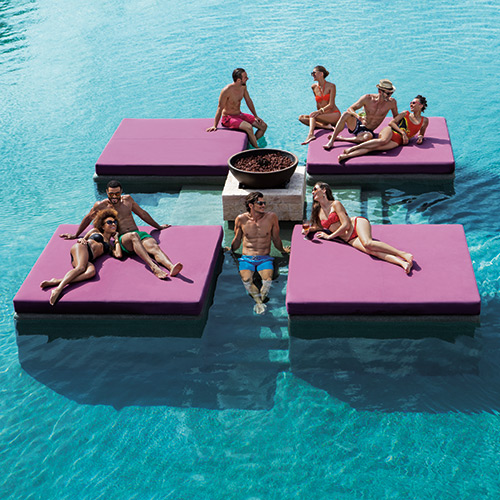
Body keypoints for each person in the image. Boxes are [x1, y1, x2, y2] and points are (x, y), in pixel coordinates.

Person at [60, 180, 183, 280]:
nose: (114, 197)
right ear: (107, 192)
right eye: (111, 194)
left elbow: (143, 214)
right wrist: (76, 234)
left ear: (121, 192)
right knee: (133, 236)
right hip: (123, 238)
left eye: (117, 194)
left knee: (154, 247)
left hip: (138, 234)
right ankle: (154, 268)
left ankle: (171, 267)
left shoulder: (128, 200)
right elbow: (88, 218)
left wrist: (159, 227)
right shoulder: (101, 205)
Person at [304, 182, 413, 274]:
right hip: (349, 239)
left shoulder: (336, 204)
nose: (312, 192)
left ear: (323, 190)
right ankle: (402, 263)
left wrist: (329, 237)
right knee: (371, 252)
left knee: (368, 243)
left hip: (356, 224)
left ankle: (403, 254)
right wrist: (310, 229)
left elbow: (346, 225)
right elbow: (319, 226)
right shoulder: (318, 211)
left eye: (315, 189)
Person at [41, 209, 122, 305]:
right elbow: (83, 239)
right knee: (81, 268)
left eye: (115, 222)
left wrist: (116, 239)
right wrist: (81, 240)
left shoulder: (110, 245)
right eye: (109, 222)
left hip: (88, 258)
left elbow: (118, 254)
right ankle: (58, 289)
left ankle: (56, 281)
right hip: (82, 248)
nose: (113, 224)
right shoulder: (95, 231)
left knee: (91, 272)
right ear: (103, 226)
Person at [229, 192, 290, 314]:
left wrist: (283, 250)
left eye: (264, 203)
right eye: (260, 203)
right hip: (246, 258)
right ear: (251, 205)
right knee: (246, 280)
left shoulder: (271, 217)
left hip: (265, 258)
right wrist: (231, 250)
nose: (263, 205)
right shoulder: (241, 219)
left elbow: (276, 239)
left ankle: (260, 301)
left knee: (267, 280)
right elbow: (237, 239)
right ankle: (259, 302)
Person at [338, 95, 429, 162]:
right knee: (383, 140)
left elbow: (421, 133)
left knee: (373, 148)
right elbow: (391, 123)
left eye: (414, 103)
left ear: (421, 106)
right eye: (411, 103)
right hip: (391, 131)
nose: (411, 105)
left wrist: (420, 137)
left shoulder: (424, 121)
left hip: (397, 142)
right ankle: (352, 149)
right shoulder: (405, 113)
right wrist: (403, 133)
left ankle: (346, 156)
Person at [323, 79, 398, 150]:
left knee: (366, 138)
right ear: (380, 91)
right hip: (357, 124)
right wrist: (357, 116)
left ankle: (342, 138)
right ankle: (331, 141)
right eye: (388, 93)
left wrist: (401, 131)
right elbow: (350, 108)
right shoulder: (367, 98)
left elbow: (396, 117)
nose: (390, 95)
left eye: (391, 93)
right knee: (345, 114)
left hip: (368, 131)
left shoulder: (391, 103)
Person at [206, 68, 267, 148]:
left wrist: (256, 116)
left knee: (263, 126)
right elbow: (220, 108)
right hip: (228, 118)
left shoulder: (243, 87)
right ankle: (257, 149)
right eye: (245, 77)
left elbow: (248, 101)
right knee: (248, 127)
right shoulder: (226, 90)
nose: (247, 78)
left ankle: (250, 144)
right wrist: (215, 125)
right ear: (239, 80)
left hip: (239, 114)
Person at [299, 65, 341, 145]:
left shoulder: (331, 86)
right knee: (301, 118)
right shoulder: (314, 87)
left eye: (314, 73)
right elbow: (318, 103)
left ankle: (310, 135)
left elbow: (331, 105)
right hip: (323, 115)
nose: (312, 75)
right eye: (312, 73)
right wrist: (318, 113)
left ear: (321, 74)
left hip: (334, 114)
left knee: (312, 116)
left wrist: (319, 112)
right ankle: (325, 126)